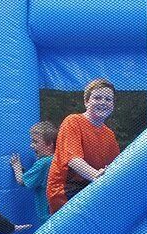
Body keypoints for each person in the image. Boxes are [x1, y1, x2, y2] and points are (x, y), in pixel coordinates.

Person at [46, 79, 120, 214]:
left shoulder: (109, 135)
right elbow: (73, 159)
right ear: (86, 102)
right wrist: (97, 177)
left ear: (113, 105)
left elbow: (114, 165)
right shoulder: (73, 122)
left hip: (91, 186)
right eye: (97, 97)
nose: (103, 102)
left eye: (108, 99)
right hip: (66, 190)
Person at [10, 121, 57, 225]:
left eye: (35, 142)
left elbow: (21, 181)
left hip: (46, 214)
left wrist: (16, 167)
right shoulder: (56, 159)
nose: (31, 146)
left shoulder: (43, 163)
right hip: (55, 211)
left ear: (49, 144)